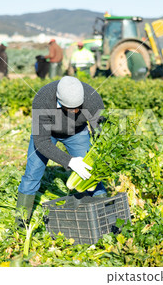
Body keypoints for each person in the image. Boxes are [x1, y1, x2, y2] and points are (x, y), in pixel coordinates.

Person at [16, 76, 107, 226]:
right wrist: (69, 161)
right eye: (70, 109)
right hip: (47, 135)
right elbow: (41, 142)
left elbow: (100, 132)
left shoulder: (92, 98)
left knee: (91, 171)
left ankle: (103, 217)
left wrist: (98, 155)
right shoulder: (43, 99)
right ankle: (20, 225)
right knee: (32, 174)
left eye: (78, 107)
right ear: (59, 100)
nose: (75, 111)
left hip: (77, 133)